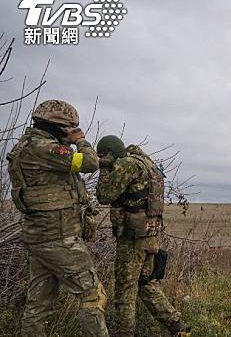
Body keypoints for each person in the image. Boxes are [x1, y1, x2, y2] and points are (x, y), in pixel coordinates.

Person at [6, 100, 108, 336]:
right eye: (69, 128)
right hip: (57, 237)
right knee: (92, 294)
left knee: (38, 303)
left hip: (39, 236)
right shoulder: (45, 149)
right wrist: (80, 140)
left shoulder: (27, 146)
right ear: (62, 128)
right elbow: (90, 163)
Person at [95, 135, 190, 337]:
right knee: (146, 283)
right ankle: (177, 327)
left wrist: (103, 168)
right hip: (150, 235)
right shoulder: (147, 163)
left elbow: (104, 195)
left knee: (124, 292)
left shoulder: (127, 165)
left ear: (110, 154)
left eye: (102, 156)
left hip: (133, 238)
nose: (101, 159)